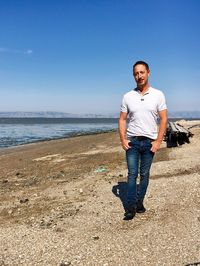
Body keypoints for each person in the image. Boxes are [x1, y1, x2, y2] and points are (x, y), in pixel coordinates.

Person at [118, 61, 168, 220]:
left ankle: (140, 202)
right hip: (132, 142)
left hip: (149, 143)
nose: (139, 76)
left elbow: (164, 119)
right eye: (136, 73)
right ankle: (131, 207)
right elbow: (122, 119)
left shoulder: (158, 94)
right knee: (132, 174)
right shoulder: (127, 96)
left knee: (144, 174)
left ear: (148, 73)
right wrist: (123, 139)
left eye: (141, 72)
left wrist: (158, 141)